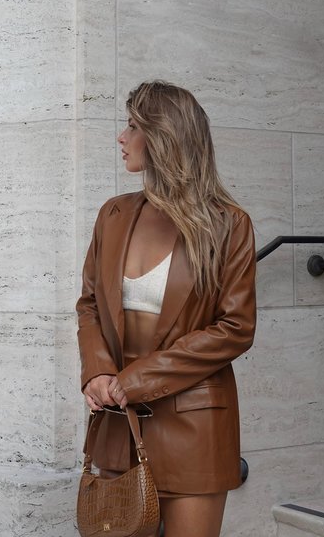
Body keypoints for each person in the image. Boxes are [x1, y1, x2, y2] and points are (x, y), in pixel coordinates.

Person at [76, 80, 256, 537]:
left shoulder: (228, 224)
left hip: (194, 429)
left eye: (133, 126)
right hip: (119, 423)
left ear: (164, 136)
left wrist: (134, 380)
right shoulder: (113, 215)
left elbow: (235, 327)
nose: (121, 137)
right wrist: (97, 372)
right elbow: (90, 305)